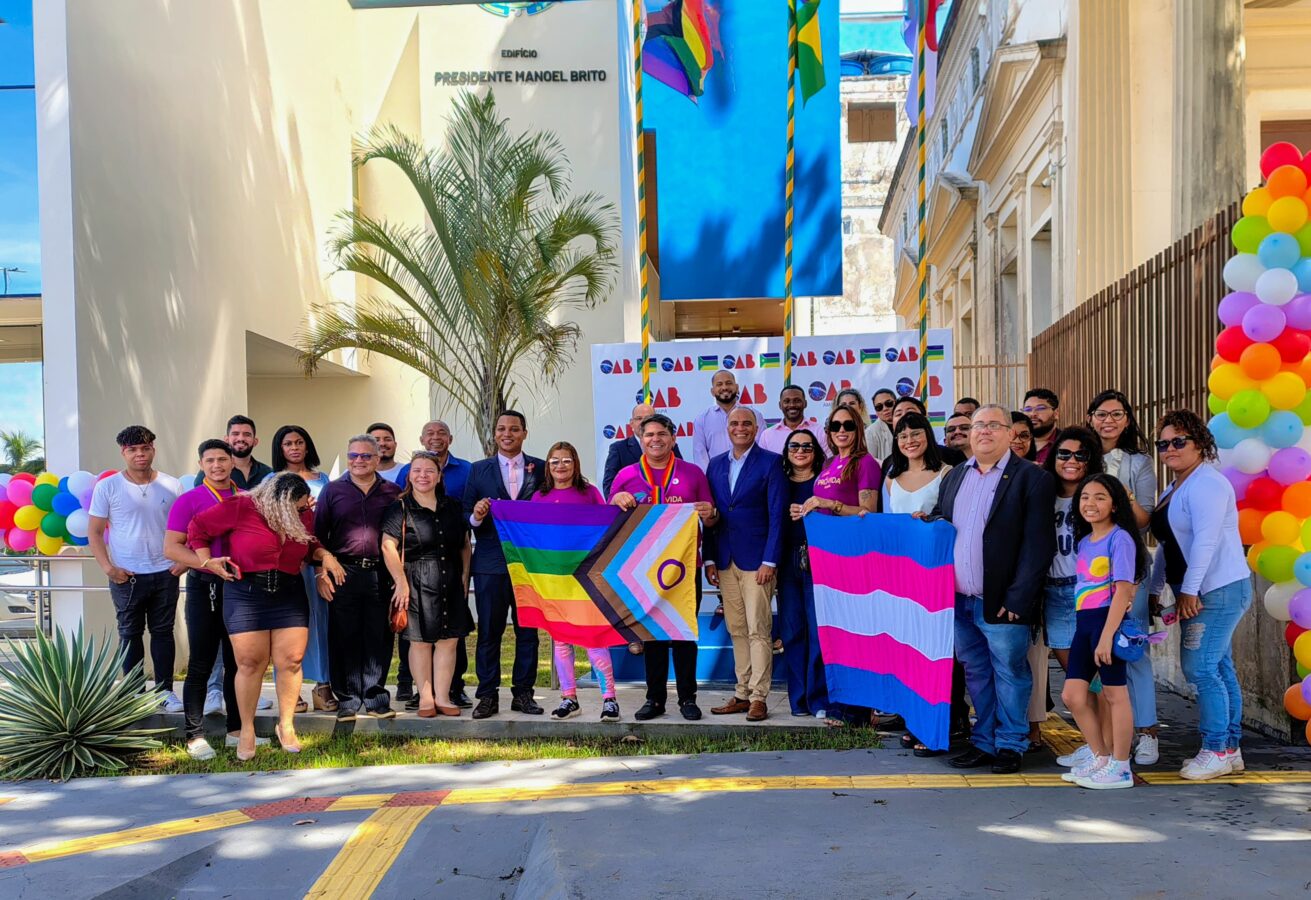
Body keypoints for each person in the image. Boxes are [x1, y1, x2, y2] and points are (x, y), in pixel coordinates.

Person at [929, 404, 1055, 775]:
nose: (984, 431)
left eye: (993, 425)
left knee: (1010, 674)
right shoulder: (955, 476)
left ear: (1010, 433)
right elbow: (945, 521)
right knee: (977, 674)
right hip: (959, 599)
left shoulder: (1032, 478)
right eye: (978, 425)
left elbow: (1038, 545)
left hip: (1002, 602)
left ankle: (1011, 744)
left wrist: (1019, 597)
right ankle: (984, 741)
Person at [187, 473, 345, 759]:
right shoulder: (241, 506)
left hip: (288, 592)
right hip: (246, 593)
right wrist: (207, 560)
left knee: (291, 661)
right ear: (280, 500)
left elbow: (309, 545)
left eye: (303, 507)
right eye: (298, 506)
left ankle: (286, 725)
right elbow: (197, 528)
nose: (303, 510)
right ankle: (246, 729)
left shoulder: (302, 512)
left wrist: (325, 555)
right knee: (250, 663)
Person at [1149, 410, 1251, 780]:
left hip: (1215, 591)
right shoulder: (1177, 485)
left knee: (1200, 668)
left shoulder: (1208, 483)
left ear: (1200, 443)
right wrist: (1156, 587)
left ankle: (1216, 749)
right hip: (1197, 590)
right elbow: (1168, 543)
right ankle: (1229, 748)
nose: (1170, 449)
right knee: (1219, 667)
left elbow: (1205, 542)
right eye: (1163, 444)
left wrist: (1190, 591)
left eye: (1179, 441)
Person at [610, 413, 717, 721]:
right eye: (649, 434)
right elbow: (610, 517)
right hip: (642, 570)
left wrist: (710, 513)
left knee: (684, 633)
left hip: (684, 568)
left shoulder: (693, 473)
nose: (655, 439)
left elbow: (711, 519)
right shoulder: (626, 475)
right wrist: (615, 498)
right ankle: (655, 699)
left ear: (673, 438)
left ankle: (687, 698)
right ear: (640, 439)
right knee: (652, 634)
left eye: (661, 434)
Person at [1059, 474, 1151, 790]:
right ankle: (1101, 758)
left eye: (1100, 497)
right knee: (1072, 695)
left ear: (1114, 505)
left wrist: (1107, 636)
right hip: (1085, 623)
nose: (1090, 503)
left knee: (1115, 694)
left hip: (1106, 623)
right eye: (1085, 497)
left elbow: (1123, 590)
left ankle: (1121, 766)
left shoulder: (1120, 538)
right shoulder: (1085, 541)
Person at [163, 440, 252, 759]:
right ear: (201, 465)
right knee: (201, 662)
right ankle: (194, 735)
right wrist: (205, 563)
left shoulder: (247, 498)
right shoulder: (189, 500)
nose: (217, 465)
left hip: (241, 588)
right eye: (210, 460)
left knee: (238, 661)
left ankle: (236, 731)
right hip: (205, 587)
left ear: (232, 462)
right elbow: (171, 548)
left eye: (222, 459)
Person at [87, 425, 184, 712]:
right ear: (123, 452)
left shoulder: (172, 485)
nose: (140, 454)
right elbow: (94, 532)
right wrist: (108, 568)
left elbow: (187, 527)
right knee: (129, 634)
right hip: (125, 575)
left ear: (153, 449)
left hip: (165, 572)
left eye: (145, 448)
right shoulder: (108, 487)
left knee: (163, 633)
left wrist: (182, 562)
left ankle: (165, 692)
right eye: (133, 450)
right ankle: (134, 695)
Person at [1087, 389, 1160, 764]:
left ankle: (1147, 732)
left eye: (1116, 414)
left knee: (1133, 647)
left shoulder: (1139, 462)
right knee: (1096, 651)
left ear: (1128, 420)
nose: (1108, 421)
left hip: (1128, 565)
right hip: (1088, 569)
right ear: (1090, 418)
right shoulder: (1080, 456)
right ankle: (1108, 737)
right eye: (1101, 414)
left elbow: (1144, 519)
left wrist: (1122, 494)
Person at [706, 408, 786, 722]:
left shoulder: (771, 462)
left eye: (746, 423)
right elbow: (711, 515)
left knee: (758, 629)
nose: (740, 428)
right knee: (736, 628)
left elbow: (777, 515)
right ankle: (741, 693)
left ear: (756, 428)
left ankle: (758, 697)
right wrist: (710, 558)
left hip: (758, 562)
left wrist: (770, 560)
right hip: (725, 559)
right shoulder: (715, 465)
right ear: (727, 428)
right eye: (735, 423)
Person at [315, 434, 402, 721]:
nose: (359, 461)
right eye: (353, 455)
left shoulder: (393, 492)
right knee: (344, 635)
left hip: (380, 572)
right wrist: (321, 573)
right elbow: (317, 536)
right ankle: (348, 700)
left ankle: (376, 698)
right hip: (343, 572)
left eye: (366, 456)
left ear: (377, 459)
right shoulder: (332, 491)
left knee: (379, 636)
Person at [466, 410, 546, 718]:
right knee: (489, 632)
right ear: (494, 433)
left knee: (528, 632)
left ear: (524, 433)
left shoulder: (541, 468)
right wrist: (477, 515)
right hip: (490, 564)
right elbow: (465, 515)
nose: (507, 434)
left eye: (514, 429)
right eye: (501, 429)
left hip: (530, 564)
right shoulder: (478, 470)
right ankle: (487, 695)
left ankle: (523, 694)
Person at [532, 441, 619, 722]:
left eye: (567, 460)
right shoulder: (540, 497)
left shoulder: (589, 493)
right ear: (548, 466)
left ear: (575, 463)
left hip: (584, 577)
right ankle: (569, 698)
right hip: (554, 580)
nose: (561, 466)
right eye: (555, 461)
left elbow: (607, 528)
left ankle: (610, 699)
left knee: (594, 638)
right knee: (561, 641)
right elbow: (533, 536)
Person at [381, 451, 471, 717]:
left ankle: (443, 697)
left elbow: (464, 544)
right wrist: (400, 582)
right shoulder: (399, 508)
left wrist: (465, 576)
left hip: (450, 579)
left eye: (429, 471)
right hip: (415, 580)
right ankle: (425, 698)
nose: (423, 475)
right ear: (409, 476)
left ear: (439, 476)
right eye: (417, 470)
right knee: (420, 642)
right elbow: (387, 546)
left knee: (448, 641)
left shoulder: (452, 506)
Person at [1036, 426, 1104, 750]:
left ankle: (1111, 749)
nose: (1072, 460)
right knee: (1076, 681)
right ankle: (1095, 748)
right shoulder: (1042, 493)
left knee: (1098, 682)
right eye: (1064, 453)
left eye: (1081, 454)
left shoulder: (1097, 494)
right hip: (1054, 594)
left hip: (1090, 593)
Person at [269, 425, 333, 713]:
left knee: (320, 622)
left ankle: (323, 684)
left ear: (307, 446)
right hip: (286, 563)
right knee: (285, 625)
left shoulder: (324, 480)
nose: (294, 448)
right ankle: (289, 689)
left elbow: (329, 520)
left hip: (316, 561)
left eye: (299, 442)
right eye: (288, 444)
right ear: (280, 449)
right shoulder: (272, 480)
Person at [778, 428, 830, 720]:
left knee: (818, 632)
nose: (800, 450)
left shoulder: (825, 482)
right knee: (792, 632)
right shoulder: (779, 482)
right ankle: (798, 700)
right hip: (787, 563)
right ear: (786, 452)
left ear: (816, 451)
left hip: (820, 560)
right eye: (794, 446)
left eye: (807, 446)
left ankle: (818, 698)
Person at [800, 405, 881, 517]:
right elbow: (824, 506)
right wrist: (804, 509)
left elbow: (869, 513)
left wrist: (832, 504)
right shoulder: (829, 463)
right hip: (825, 528)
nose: (841, 430)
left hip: (848, 528)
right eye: (835, 426)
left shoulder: (865, 462)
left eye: (848, 425)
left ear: (858, 429)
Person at [603, 403, 683, 497]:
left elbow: (681, 476)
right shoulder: (618, 448)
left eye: (648, 418)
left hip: (669, 501)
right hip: (634, 504)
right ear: (631, 423)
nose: (643, 422)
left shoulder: (669, 445)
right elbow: (609, 486)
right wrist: (617, 500)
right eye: (639, 418)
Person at [883, 412, 952, 517]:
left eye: (915, 434)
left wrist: (930, 519)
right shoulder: (891, 479)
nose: (909, 441)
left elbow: (953, 515)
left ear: (928, 434)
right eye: (903, 436)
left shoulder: (946, 473)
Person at [692, 370, 762, 470]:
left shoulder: (754, 415)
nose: (724, 387)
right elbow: (700, 454)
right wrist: (709, 477)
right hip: (715, 476)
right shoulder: (702, 419)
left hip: (751, 473)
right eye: (719, 384)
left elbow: (761, 446)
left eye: (729, 383)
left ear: (737, 387)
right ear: (712, 391)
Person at [196, 416, 273, 490]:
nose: (241, 438)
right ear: (226, 440)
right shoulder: (209, 473)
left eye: (247, 435)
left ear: (255, 441)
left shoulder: (268, 473)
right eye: (235, 434)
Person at [758, 385, 821, 455]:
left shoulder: (819, 431)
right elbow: (762, 461)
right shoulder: (767, 435)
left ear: (805, 403)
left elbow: (827, 460)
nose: (792, 405)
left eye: (797, 401)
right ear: (780, 405)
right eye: (786, 401)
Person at [1023, 388, 1062, 465]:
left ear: (1056, 414)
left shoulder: (1066, 442)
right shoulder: (1012, 444)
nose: (1033, 414)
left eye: (1040, 408)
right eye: (1028, 409)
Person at [865, 388, 898, 462]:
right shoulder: (870, 432)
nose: (885, 409)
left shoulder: (908, 424)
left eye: (889, 404)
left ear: (896, 403)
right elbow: (870, 461)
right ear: (876, 411)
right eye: (879, 407)